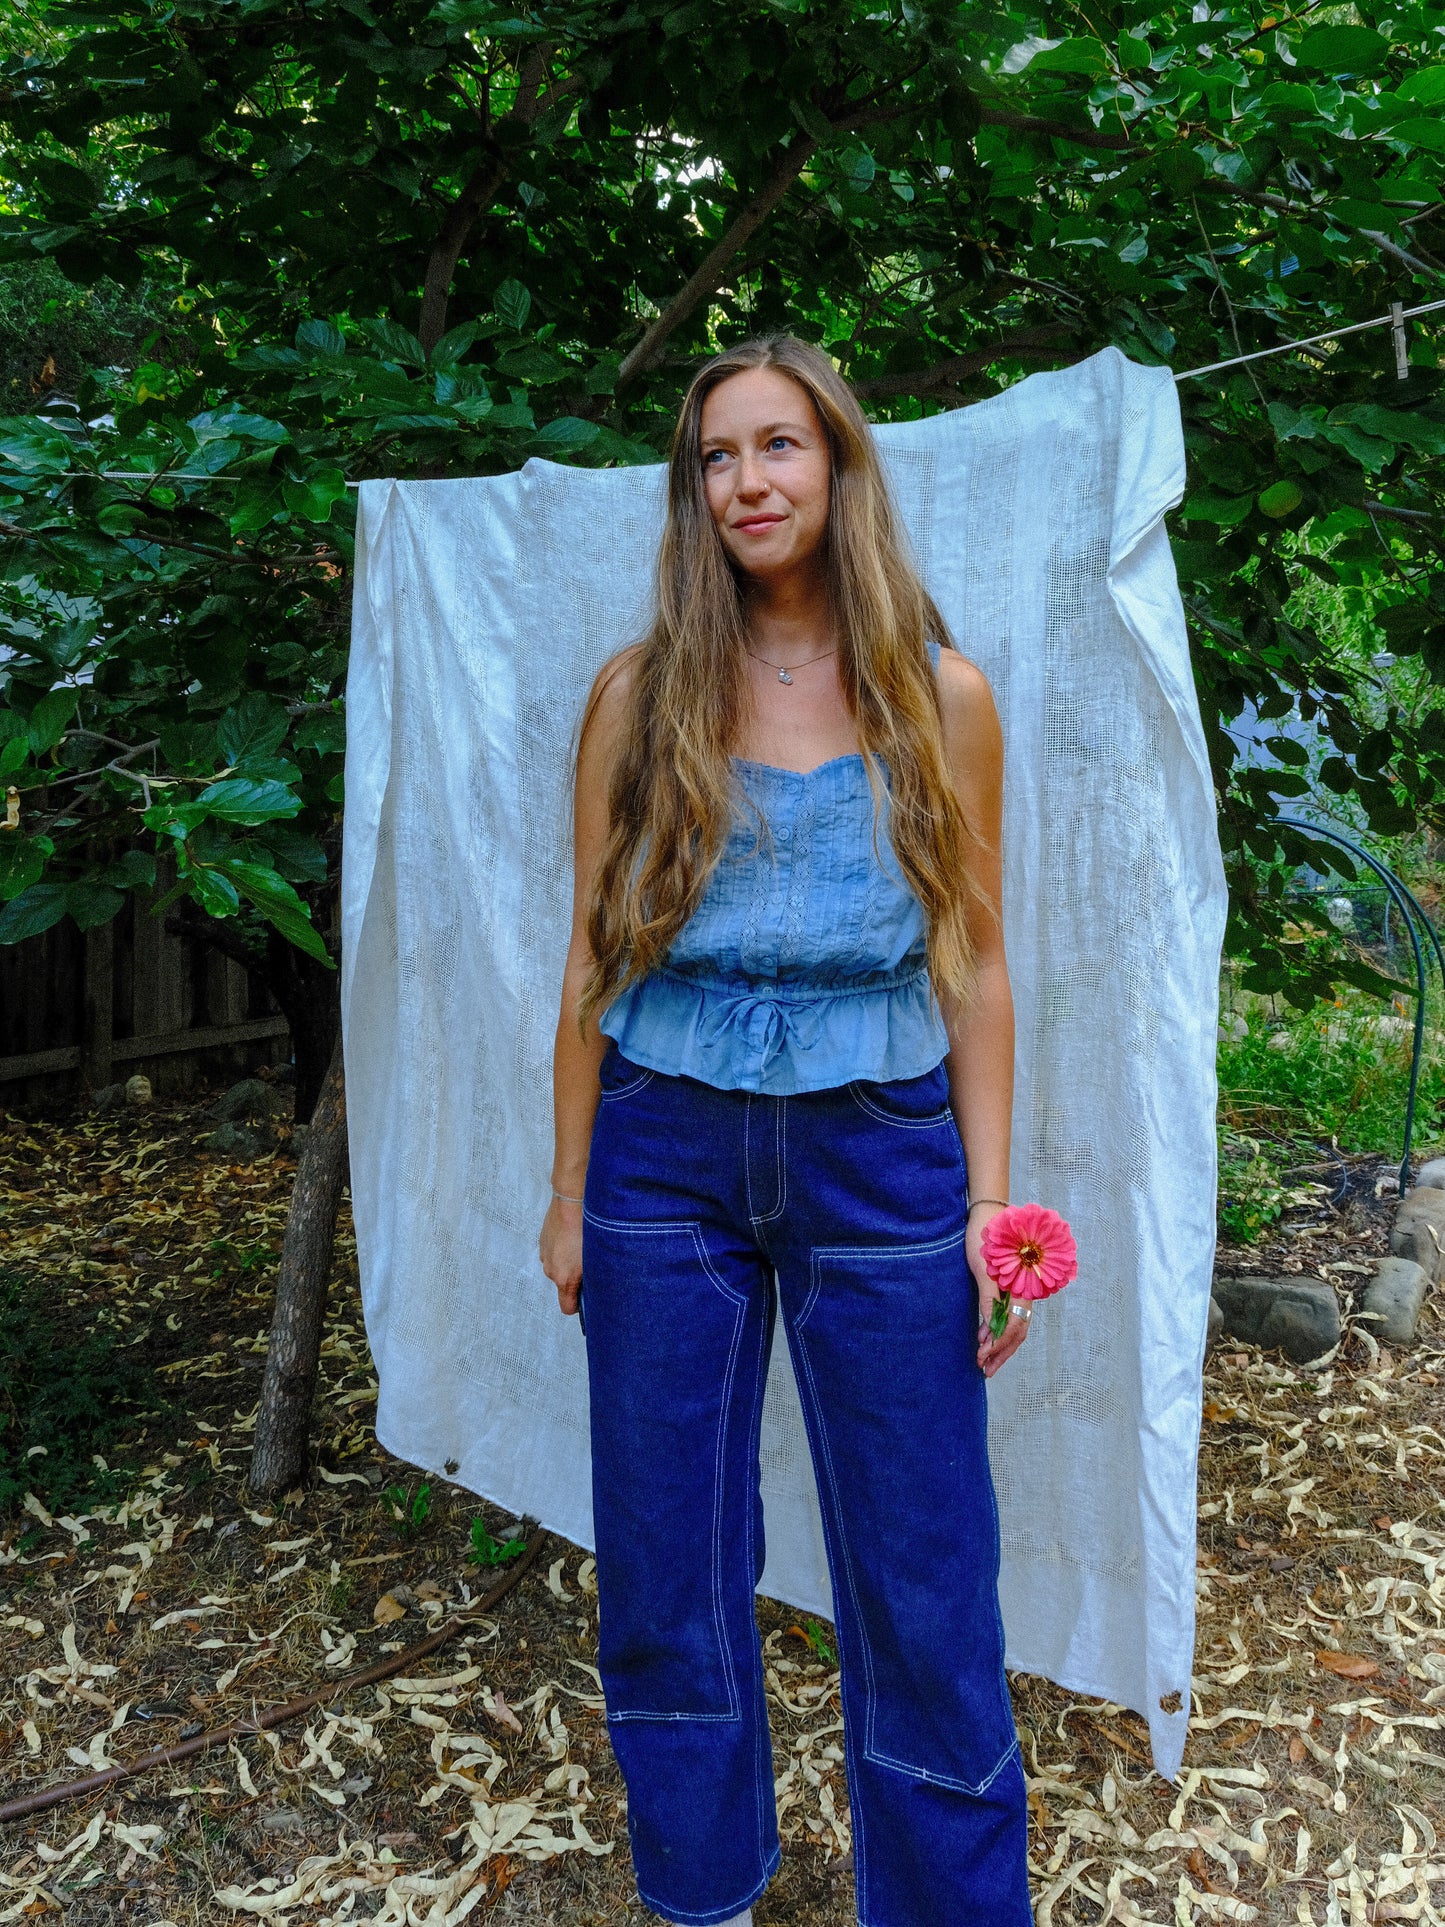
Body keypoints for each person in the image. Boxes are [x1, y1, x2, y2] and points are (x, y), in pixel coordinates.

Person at [538, 334, 1034, 1927]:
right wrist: (566, 1192)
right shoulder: (640, 694)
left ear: (837, 468)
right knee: (663, 1564)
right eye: (715, 457)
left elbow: (975, 962)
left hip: (877, 1152)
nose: (747, 481)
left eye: (778, 446)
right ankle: (704, 1893)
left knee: (925, 1576)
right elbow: (590, 956)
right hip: (658, 1155)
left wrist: (990, 1207)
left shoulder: (938, 698)